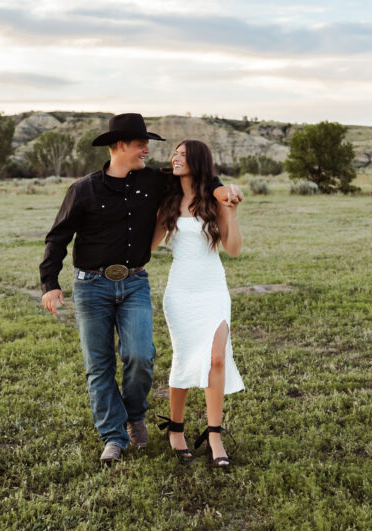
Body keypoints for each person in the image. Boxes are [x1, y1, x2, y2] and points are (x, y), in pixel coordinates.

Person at [40, 114, 242, 464]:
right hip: (90, 286)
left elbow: (199, 174)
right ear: (119, 146)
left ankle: (135, 415)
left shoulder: (153, 181)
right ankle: (114, 438)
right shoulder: (83, 189)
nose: (147, 150)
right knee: (99, 365)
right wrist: (50, 283)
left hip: (134, 282)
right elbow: (58, 236)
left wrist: (222, 189)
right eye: (140, 144)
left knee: (140, 356)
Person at [151, 139, 243, 468]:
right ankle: (176, 430)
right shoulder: (169, 200)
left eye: (183, 154)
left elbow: (232, 249)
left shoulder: (213, 199)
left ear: (198, 161)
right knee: (185, 357)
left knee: (217, 358)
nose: (175, 158)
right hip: (180, 293)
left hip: (213, 289)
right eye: (174, 153)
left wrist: (231, 213)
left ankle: (214, 436)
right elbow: (147, 248)